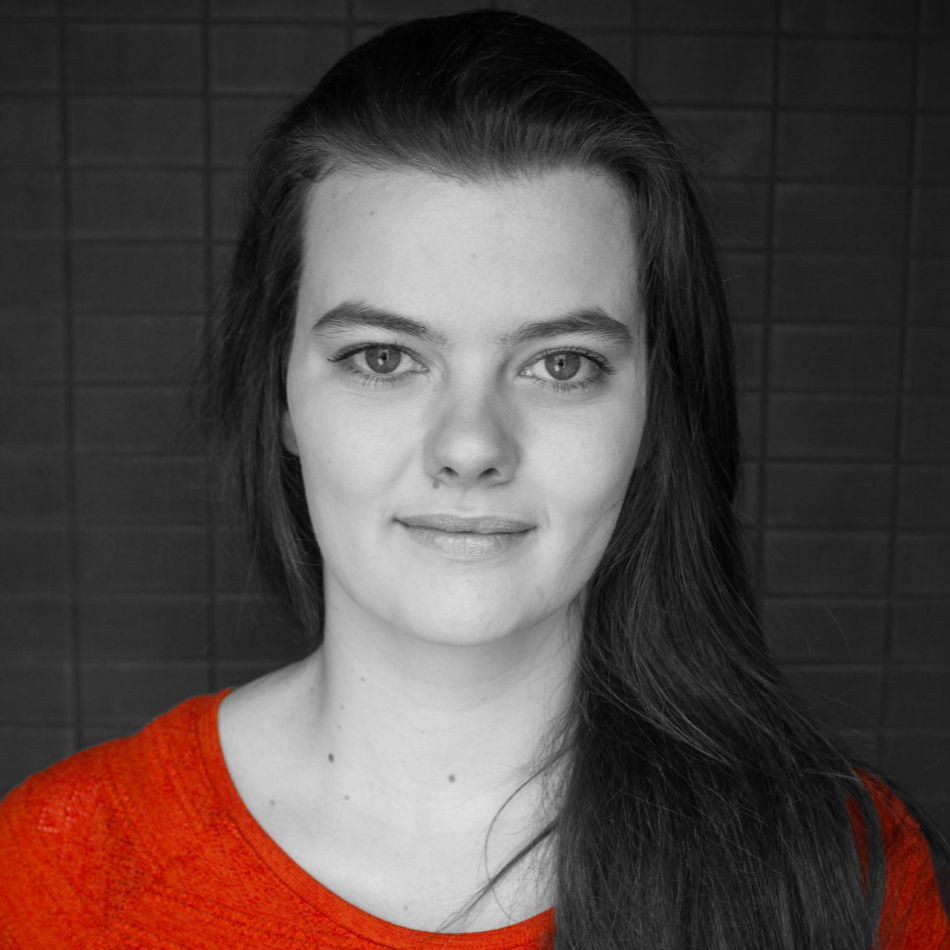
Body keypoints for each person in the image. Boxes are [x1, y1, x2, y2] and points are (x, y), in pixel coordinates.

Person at [0, 9, 947, 949]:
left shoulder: (844, 876)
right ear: (281, 395)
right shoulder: (59, 870)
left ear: (655, 410)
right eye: (382, 358)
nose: (469, 446)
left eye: (562, 364)